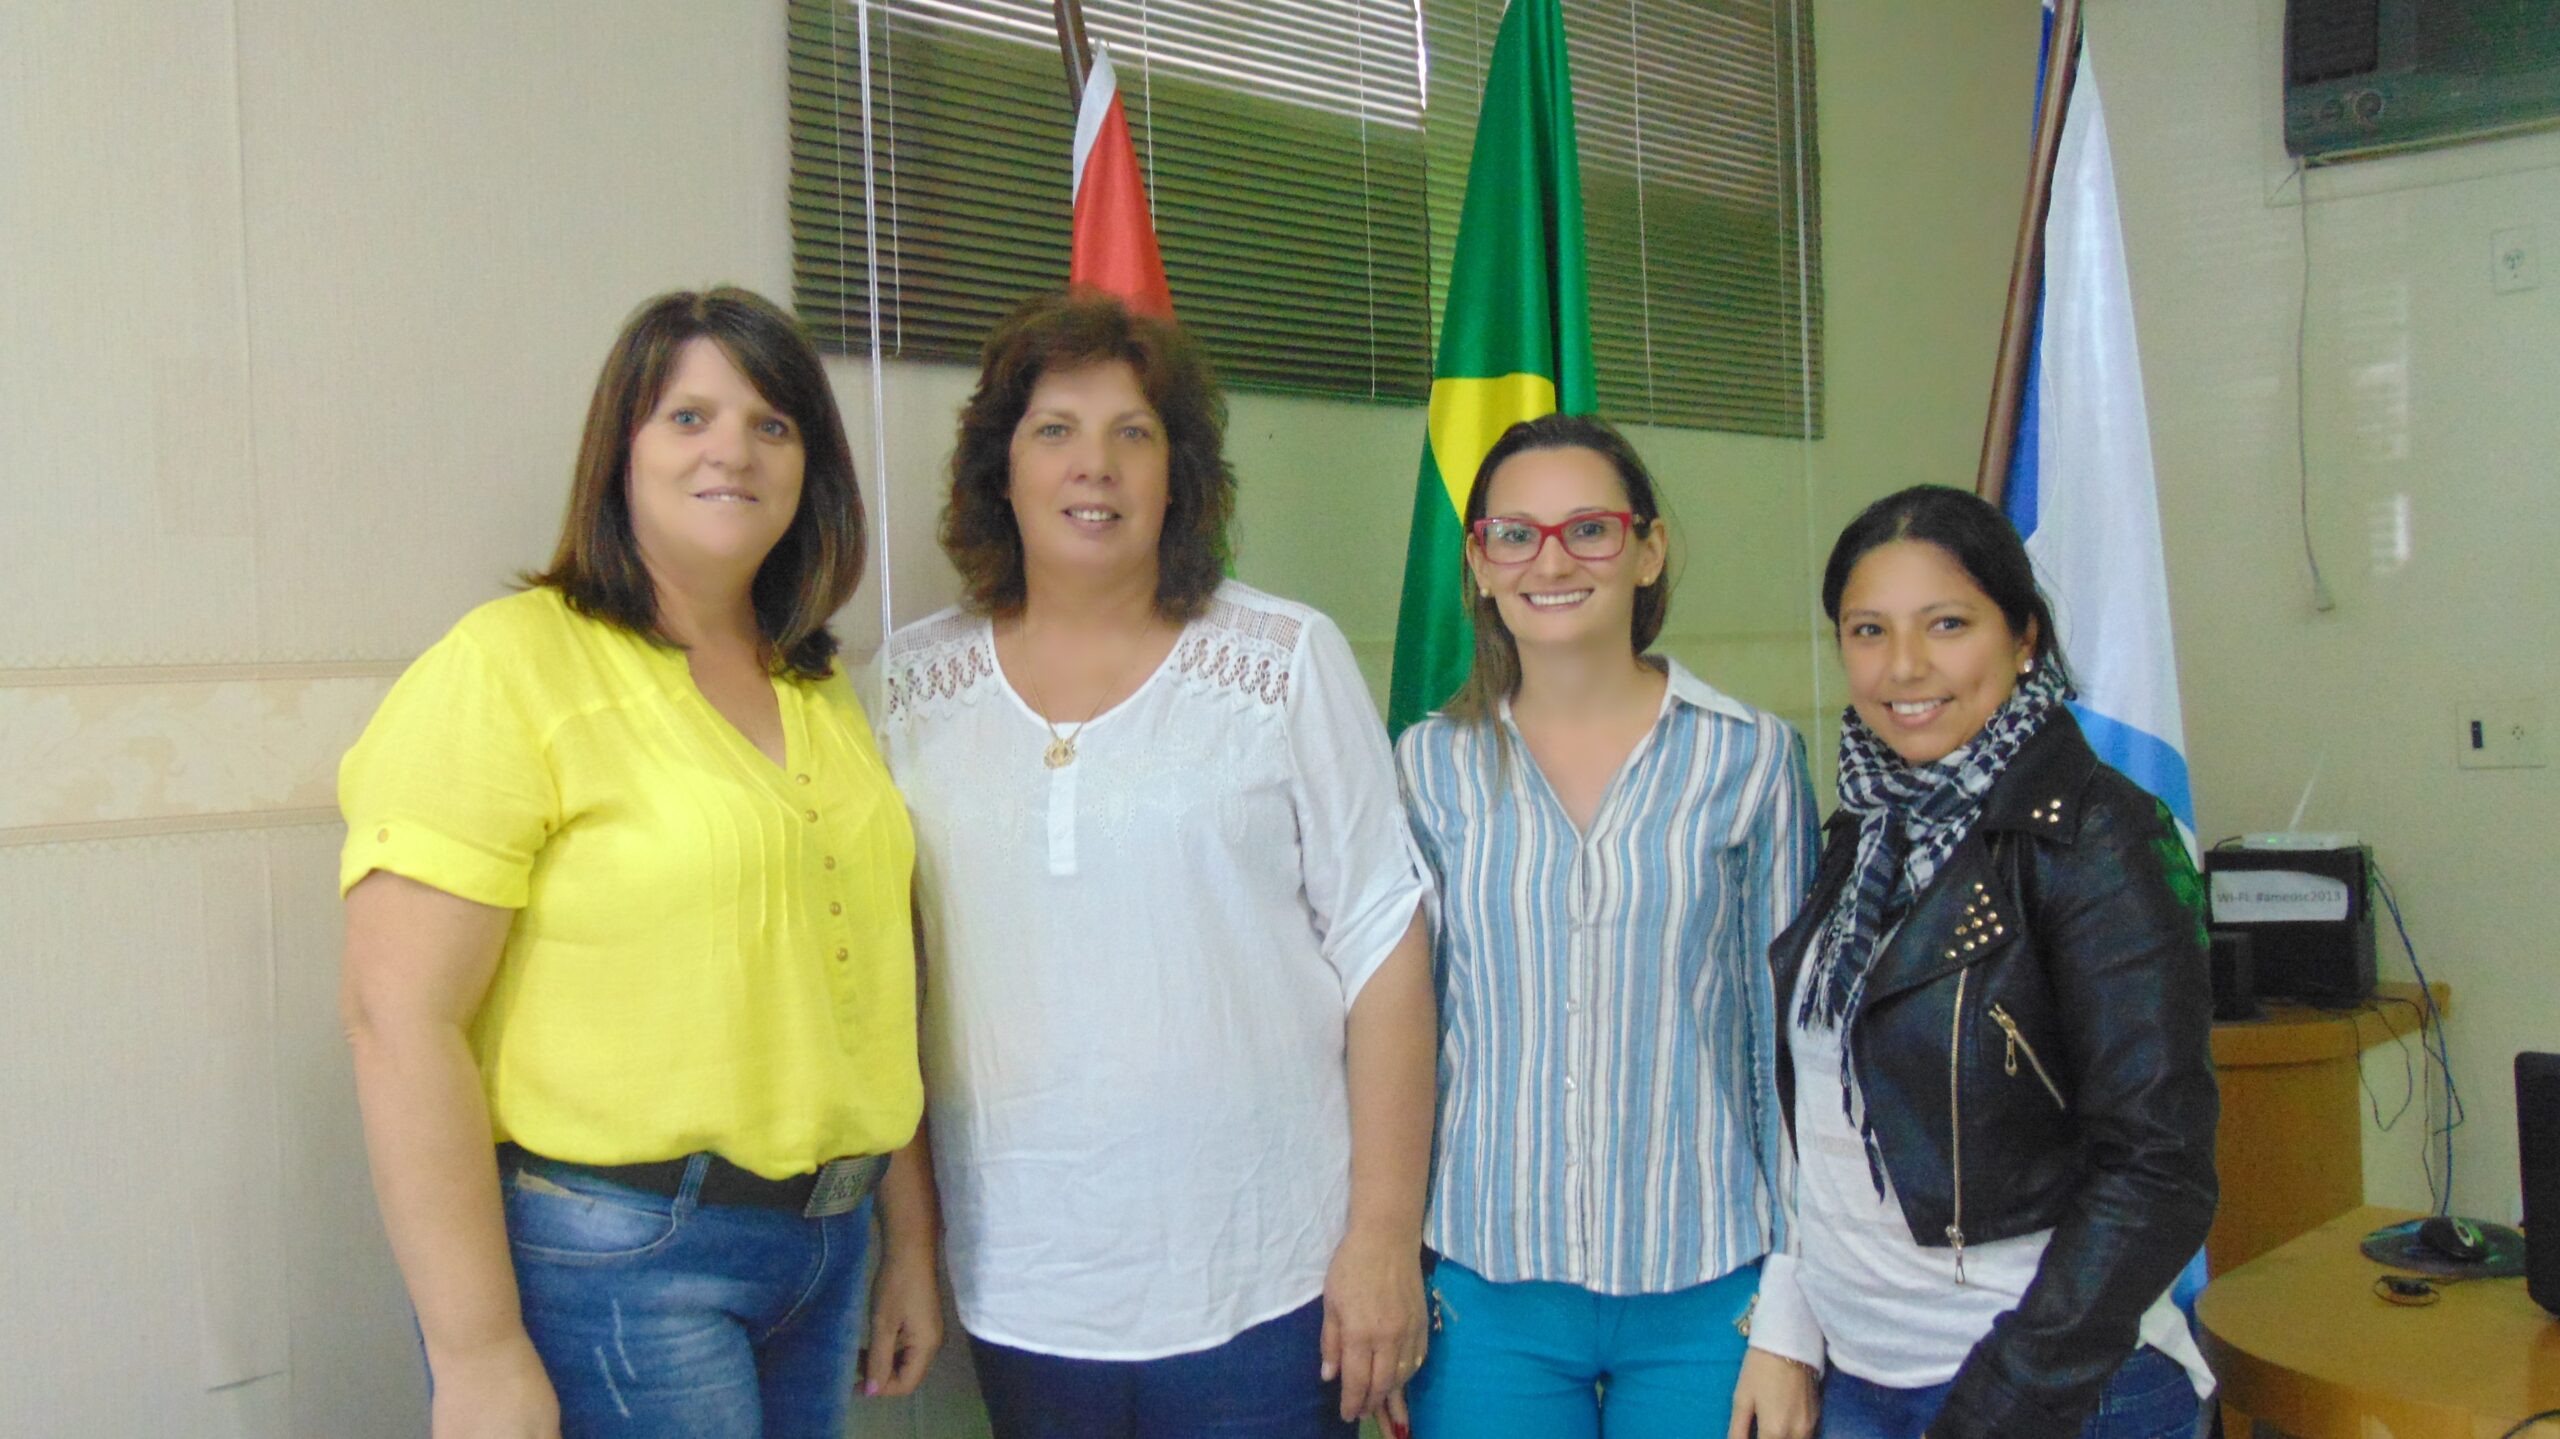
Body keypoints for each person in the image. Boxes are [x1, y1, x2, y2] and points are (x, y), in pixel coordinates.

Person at [337, 287, 941, 1439]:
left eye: (773, 423)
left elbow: (870, 988)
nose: (733, 449)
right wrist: (475, 1352)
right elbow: (393, 1017)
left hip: (825, 1250)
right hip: (617, 1259)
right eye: (688, 417)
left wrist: (907, 1240)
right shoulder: (508, 665)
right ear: (619, 449)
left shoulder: (817, 684)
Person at [875, 290, 1437, 1439]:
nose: (1097, 465)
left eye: (1133, 432)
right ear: (1001, 471)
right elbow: (887, 990)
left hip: (1270, 1278)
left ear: (1177, 474)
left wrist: (1382, 1231)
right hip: (1025, 1284)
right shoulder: (903, 691)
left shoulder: (1282, 659)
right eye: (1055, 430)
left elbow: (1385, 944)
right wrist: (912, 1244)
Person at [1753, 484, 2218, 1438]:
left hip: (2049, 1393)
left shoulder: (2101, 837)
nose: (1905, 666)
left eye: (1948, 624)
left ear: (2026, 638)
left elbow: (2159, 1169)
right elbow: (1826, 1128)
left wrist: (2009, 1398)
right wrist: (1792, 1322)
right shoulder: (1866, 827)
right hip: (1861, 1375)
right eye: (1868, 630)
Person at [1391, 414, 1822, 1439]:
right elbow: (1399, 1038)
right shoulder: (1424, 767)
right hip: (1485, 1294)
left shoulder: (1751, 758)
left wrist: (1792, 1315)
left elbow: (1795, 1052)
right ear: (1479, 564)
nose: (1550, 558)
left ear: (1647, 549)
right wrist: (1388, 1269)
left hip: (1711, 1290)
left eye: (1588, 528)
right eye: (1514, 534)